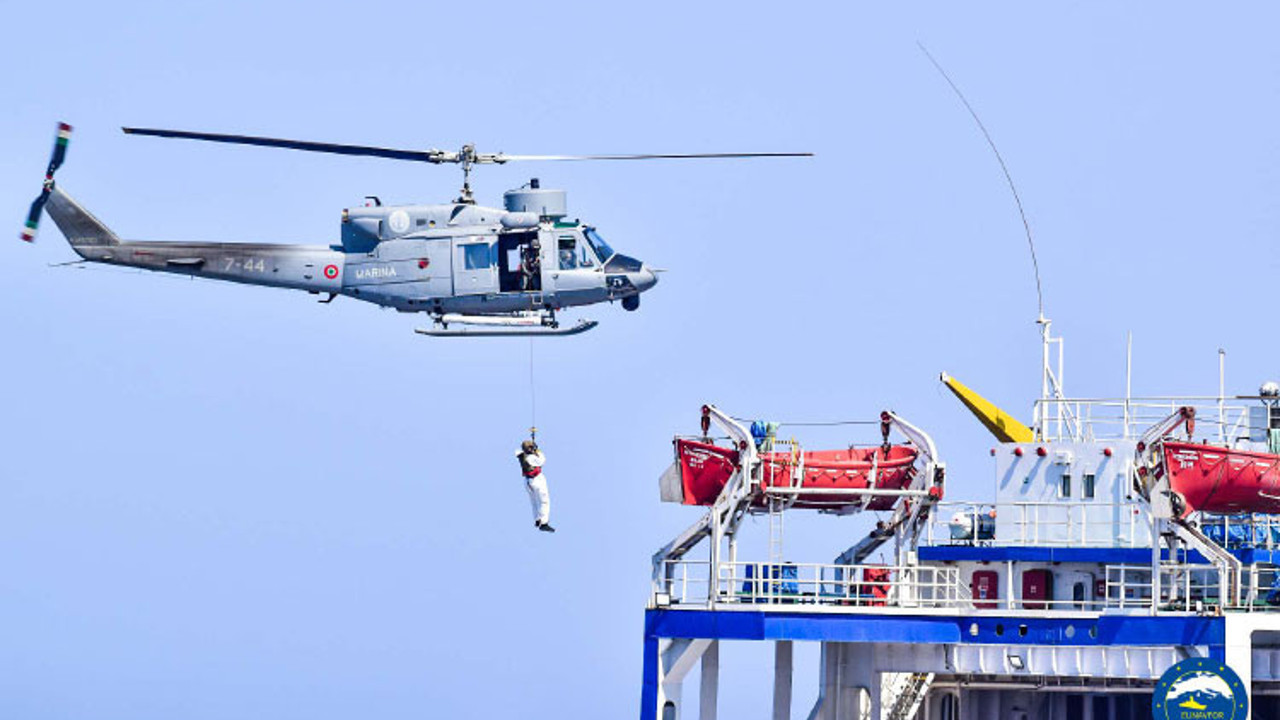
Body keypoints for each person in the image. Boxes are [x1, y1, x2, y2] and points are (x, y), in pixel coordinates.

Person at [517, 439, 554, 532]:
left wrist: (533, 449)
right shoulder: (531, 458)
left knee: (534, 501)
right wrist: (538, 451)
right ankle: (544, 523)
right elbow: (542, 461)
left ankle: (537, 520)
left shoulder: (523, 456)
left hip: (528, 481)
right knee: (544, 501)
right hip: (537, 480)